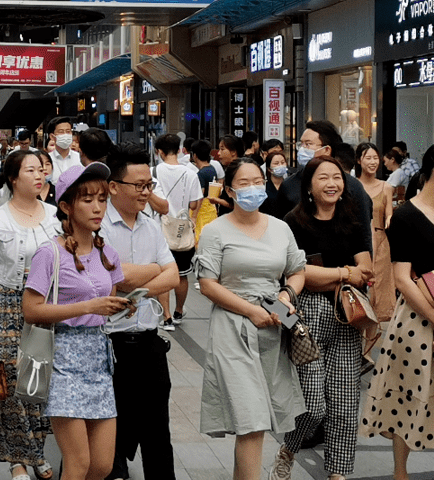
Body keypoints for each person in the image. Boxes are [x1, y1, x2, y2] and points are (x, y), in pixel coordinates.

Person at [360, 143, 434, 480]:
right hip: (416, 321)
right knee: (406, 397)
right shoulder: (407, 215)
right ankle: (400, 473)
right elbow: (401, 278)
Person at [197, 157, 307, 480]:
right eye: (243, 183)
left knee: (257, 420)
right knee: (252, 417)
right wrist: (250, 310)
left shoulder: (280, 227)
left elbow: (297, 271)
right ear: (229, 191)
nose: (253, 188)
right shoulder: (215, 231)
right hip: (232, 327)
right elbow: (207, 284)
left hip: (273, 325)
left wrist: (285, 296)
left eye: (257, 181)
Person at [23, 163, 131, 480]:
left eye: (101, 199)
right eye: (87, 200)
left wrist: (122, 306)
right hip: (61, 359)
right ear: (67, 206)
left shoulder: (106, 252)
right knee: (78, 462)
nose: (98, 207)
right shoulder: (50, 253)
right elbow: (31, 309)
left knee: (102, 465)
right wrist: (88, 305)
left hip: (99, 358)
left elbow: (104, 304)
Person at [275, 157, 373, 480]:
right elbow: (298, 273)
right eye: (323, 178)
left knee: (345, 405)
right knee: (314, 405)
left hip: (346, 317)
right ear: (309, 186)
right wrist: (345, 273)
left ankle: (338, 474)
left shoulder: (353, 219)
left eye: (337, 177)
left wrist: (328, 276)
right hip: (307, 318)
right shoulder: (294, 221)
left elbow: (367, 270)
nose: (332, 183)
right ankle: (289, 447)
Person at [0, 150, 61, 480]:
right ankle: (18, 460)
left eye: (42, 170)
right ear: (12, 178)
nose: (39, 176)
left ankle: (37, 452)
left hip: (46, 306)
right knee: (11, 386)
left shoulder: (55, 217)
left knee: (40, 383)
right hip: (8, 306)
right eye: (30, 170)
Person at [101, 144, 180, 480]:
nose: (147, 192)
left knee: (157, 433)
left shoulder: (150, 224)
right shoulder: (97, 225)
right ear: (113, 186)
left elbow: (173, 276)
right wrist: (151, 269)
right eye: (139, 185)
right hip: (106, 344)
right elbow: (109, 276)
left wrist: (133, 290)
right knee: (108, 432)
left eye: (149, 185)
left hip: (148, 341)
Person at [279, 121, 373, 232]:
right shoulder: (289, 185)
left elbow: (364, 231)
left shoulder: (352, 186)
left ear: (327, 150)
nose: (302, 149)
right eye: (301, 144)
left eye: (308, 144)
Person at [151, 134, 201, 330]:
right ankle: (179, 311)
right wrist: (193, 219)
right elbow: (195, 203)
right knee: (181, 274)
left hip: (158, 229)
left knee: (162, 274)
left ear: (159, 152)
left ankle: (167, 317)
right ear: (180, 150)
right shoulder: (191, 173)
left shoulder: (153, 171)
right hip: (181, 230)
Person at [355, 142, 395, 325]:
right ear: (358, 160)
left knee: (380, 282)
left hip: (380, 240)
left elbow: (389, 215)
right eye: (367, 158)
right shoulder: (353, 185)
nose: (373, 162)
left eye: (375, 158)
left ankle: (373, 335)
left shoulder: (386, 186)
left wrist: (389, 222)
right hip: (359, 239)